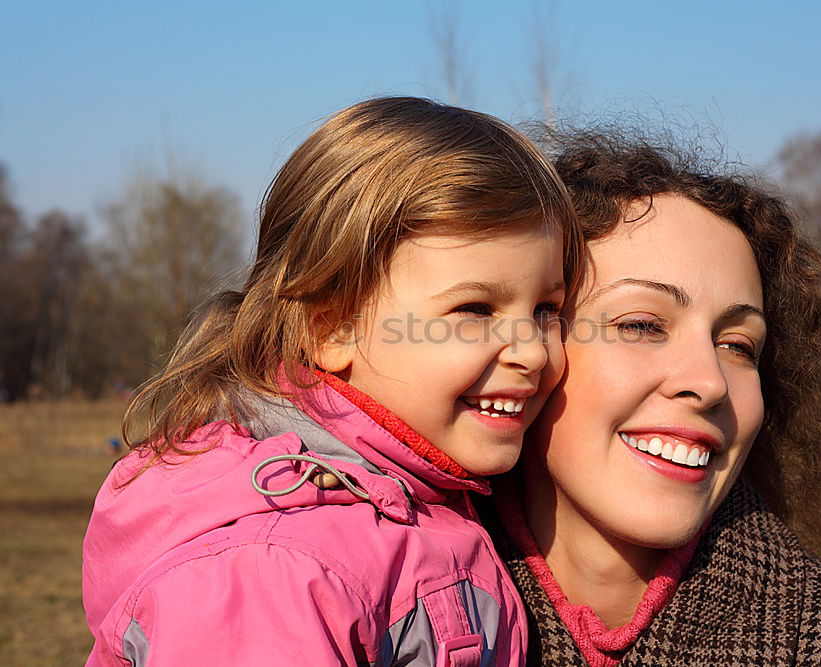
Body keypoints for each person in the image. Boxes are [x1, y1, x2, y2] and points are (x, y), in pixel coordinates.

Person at [82, 97, 583, 666]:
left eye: (547, 310)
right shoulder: (277, 571)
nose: (533, 351)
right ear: (331, 328)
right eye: (474, 309)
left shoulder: (424, 495)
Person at [478, 128, 821, 665]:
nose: (711, 381)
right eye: (643, 325)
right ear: (529, 348)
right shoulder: (383, 600)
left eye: (739, 345)